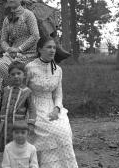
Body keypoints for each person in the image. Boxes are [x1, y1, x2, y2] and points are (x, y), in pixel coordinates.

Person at [25, 36, 78, 167]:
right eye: (49, 47)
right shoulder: (30, 68)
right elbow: (23, 91)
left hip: (52, 106)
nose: (52, 50)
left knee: (64, 132)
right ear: (39, 49)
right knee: (51, 132)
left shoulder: (58, 70)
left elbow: (58, 94)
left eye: (54, 47)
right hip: (34, 107)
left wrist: (57, 109)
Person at [0, 0, 40, 107]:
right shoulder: (7, 19)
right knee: (1, 64)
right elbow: (3, 40)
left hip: (28, 53)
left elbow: (35, 36)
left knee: (3, 65)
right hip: (12, 53)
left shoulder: (28, 14)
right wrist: (9, 49)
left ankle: (16, 100)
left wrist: (19, 49)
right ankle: (7, 100)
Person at [0, 61, 36, 152]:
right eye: (13, 74)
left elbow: (32, 109)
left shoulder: (27, 92)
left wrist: (31, 123)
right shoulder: (5, 90)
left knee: (18, 147)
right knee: (6, 146)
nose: (16, 76)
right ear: (9, 76)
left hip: (18, 124)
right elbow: (3, 105)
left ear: (24, 75)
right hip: (5, 124)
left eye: (18, 73)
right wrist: (1, 116)